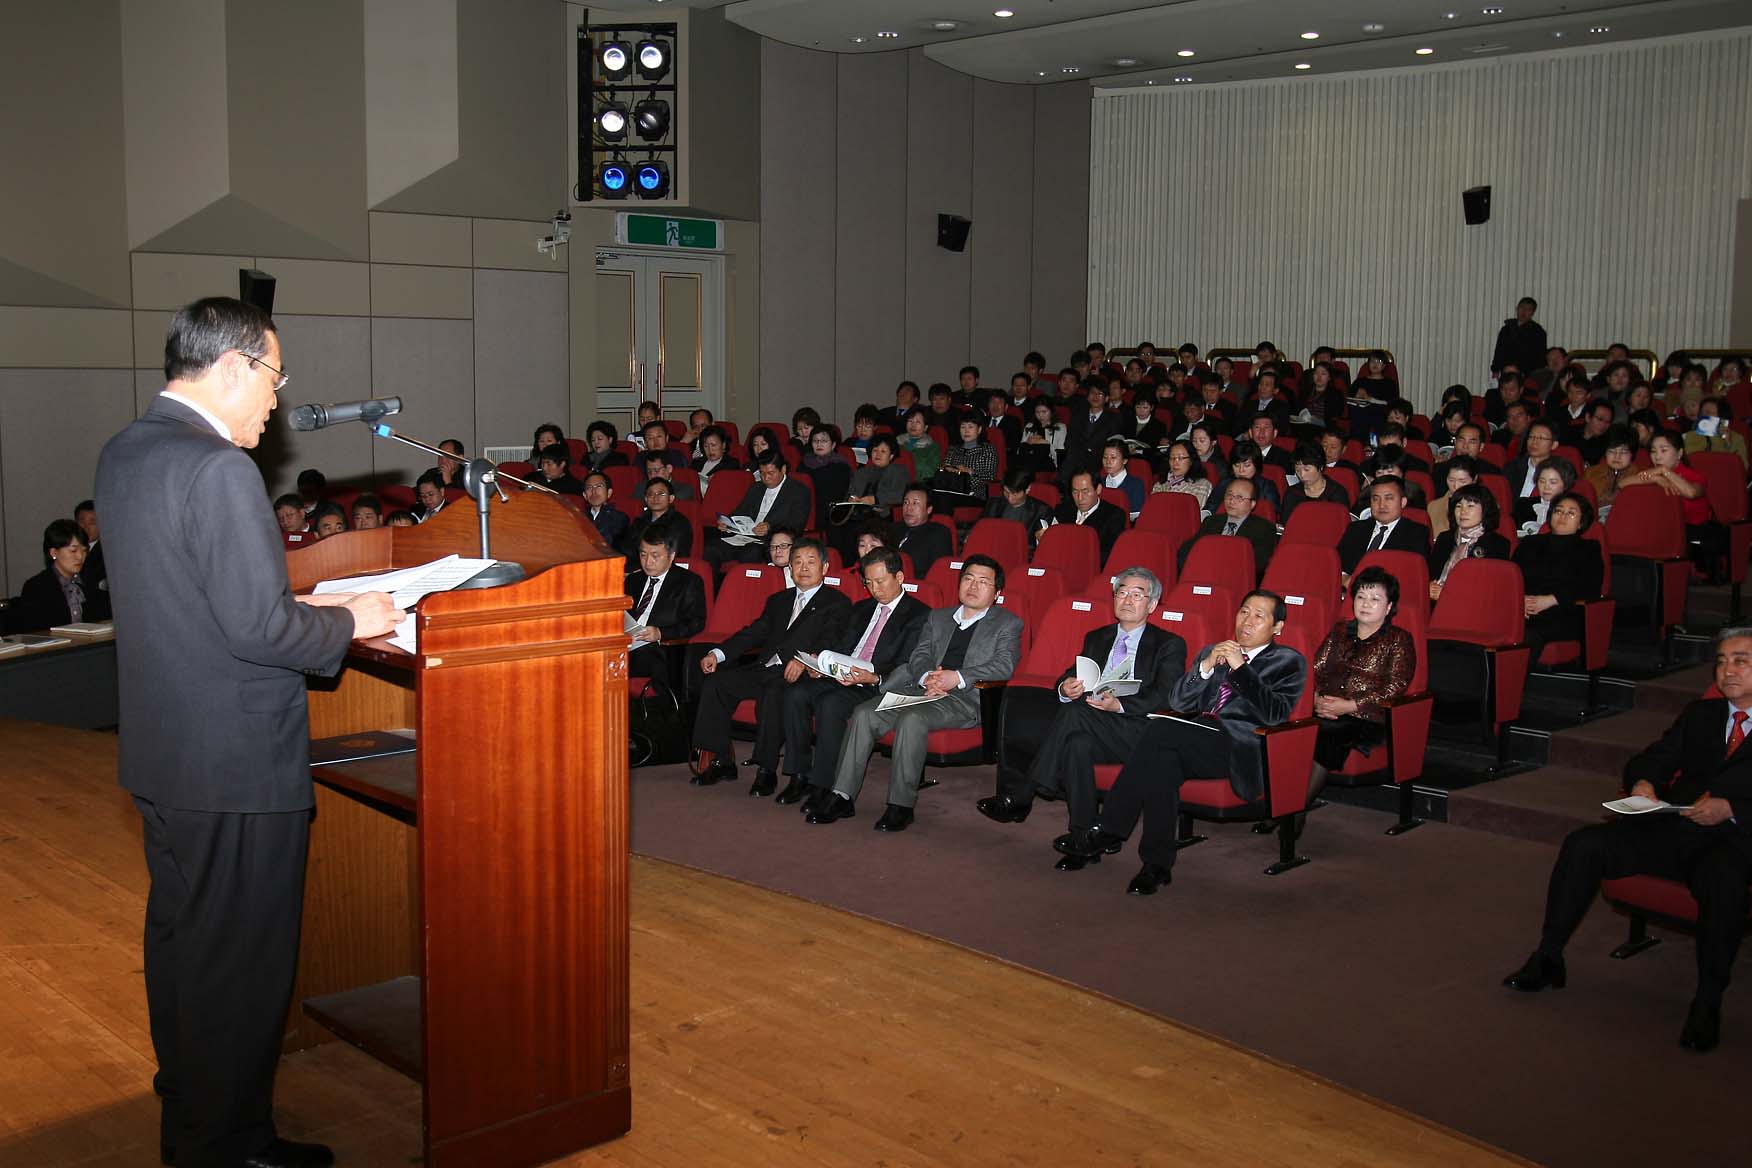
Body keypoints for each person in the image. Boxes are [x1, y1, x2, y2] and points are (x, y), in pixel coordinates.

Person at [94, 296, 402, 1168]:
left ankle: (190, 1097)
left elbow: (191, 595)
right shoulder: (220, 467)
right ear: (232, 368)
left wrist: (305, 602)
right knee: (244, 964)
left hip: (165, 749)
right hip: (233, 761)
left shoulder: (128, 450)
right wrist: (353, 620)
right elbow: (256, 634)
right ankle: (225, 1144)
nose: (276, 399)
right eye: (274, 376)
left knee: (186, 943)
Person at [1503, 625, 1752, 1052]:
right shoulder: (1703, 714)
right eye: (1722, 660)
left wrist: (1734, 809)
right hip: (1674, 828)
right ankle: (1548, 956)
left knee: (1723, 882)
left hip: (1732, 841)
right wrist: (1643, 783)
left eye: (1741, 660)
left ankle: (1707, 1001)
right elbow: (1653, 758)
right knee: (1584, 845)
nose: (1728, 670)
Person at [1068, 591, 1308, 895]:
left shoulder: (1289, 661)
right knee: (1162, 763)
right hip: (1195, 737)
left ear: (1277, 627)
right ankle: (1156, 866)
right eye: (1244, 612)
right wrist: (1206, 666)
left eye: (1259, 616)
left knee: (1159, 732)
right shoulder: (1215, 651)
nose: (1247, 621)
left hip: (1240, 746)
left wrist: (1242, 669)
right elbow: (1178, 701)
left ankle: (1111, 828)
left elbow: (1274, 715)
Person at [978, 570, 1187, 869]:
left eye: (1137, 594)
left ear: (1152, 605)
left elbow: (1166, 695)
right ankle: (1082, 839)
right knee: (1077, 744)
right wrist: (1065, 687)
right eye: (1121, 592)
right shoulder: (1097, 637)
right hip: (1094, 726)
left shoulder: (1168, 643)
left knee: (1076, 713)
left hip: (1140, 731)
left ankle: (1023, 793)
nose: (1127, 599)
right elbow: (1070, 674)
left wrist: (1120, 706)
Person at [809, 556, 1023, 832]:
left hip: (964, 699)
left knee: (912, 720)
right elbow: (919, 655)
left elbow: (1004, 665)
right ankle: (842, 795)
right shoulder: (939, 617)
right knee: (864, 713)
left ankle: (901, 805)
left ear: (997, 593)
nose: (973, 586)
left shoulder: (1007, 624)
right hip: (921, 689)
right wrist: (926, 677)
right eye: (968, 578)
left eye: (984, 582)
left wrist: (955, 678)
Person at [688, 536, 851, 791]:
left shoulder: (836, 602)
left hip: (800, 673)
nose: (804, 568)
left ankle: (766, 769)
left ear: (825, 568)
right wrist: (718, 654)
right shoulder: (780, 600)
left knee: (774, 692)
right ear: (790, 568)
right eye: (797, 562)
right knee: (717, 682)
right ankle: (721, 759)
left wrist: (803, 659)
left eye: (811, 562)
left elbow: (831, 640)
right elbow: (753, 633)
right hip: (765, 668)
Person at [778, 547, 931, 810]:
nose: (875, 589)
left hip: (875, 683)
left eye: (881, 581)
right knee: (794, 694)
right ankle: (799, 774)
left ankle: (823, 784)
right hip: (842, 675)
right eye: (868, 582)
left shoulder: (919, 614)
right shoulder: (861, 608)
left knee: (831, 704)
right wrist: (822, 664)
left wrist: (873, 676)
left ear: (900, 577)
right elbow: (842, 645)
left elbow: (908, 663)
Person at [1308, 566, 1414, 801]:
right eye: (1361, 597)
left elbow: (1395, 686)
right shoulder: (1339, 631)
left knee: (1327, 735)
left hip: (1366, 716)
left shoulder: (1399, 639)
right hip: (1325, 708)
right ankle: (1289, 807)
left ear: (1388, 607)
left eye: (1375, 599)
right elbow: (1316, 668)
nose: (1366, 604)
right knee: (1293, 729)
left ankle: (1292, 811)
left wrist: (1350, 706)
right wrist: (1315, 698)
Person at [1513, 492, 1605, 668]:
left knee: (1527, 634)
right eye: (1558, 511)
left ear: (1581, 522)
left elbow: (1589, 586)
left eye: (1571, 513)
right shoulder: (1530, 543)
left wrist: (1551, 600)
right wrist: (1519, 603)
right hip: (1523, 609)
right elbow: (1511, 577)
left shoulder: (1588, 549)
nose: (1562, 516)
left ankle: (1508, 692)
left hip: (1562, 611)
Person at [1621, 430, 1722, 579]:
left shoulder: (1694, 476)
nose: (1657, 456)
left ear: (1679, 453)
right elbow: (1622, 484)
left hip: (1692, 529)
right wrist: (1656, 479)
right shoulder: (1653, 475)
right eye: (1653, 451)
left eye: (1664, 450)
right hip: (1663, 528)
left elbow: (1691, 493)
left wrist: (1665, 472)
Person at [625, 523, 707, 696]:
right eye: (643, 554)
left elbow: (696, 622)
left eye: (655, 556)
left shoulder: (689, 582)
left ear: (671, 557)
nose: (648, 562)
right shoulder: (633, 580)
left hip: (658, 648)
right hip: (625, 643)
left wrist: (661, 633)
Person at [704, 450, 811, 569]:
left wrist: (770, 527)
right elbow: (740, 512)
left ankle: (746, 586)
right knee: (711, 549)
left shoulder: (799, 492)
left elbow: (796, 525)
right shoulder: (756, 488)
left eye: (771, 473)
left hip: (771, 542)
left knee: (751, 553)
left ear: (783, 469)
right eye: (762, 473)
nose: (766, 478)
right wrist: (728, 523)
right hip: (744, 537)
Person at [11, 519, 111, 630]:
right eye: (73, 551)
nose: (80, 557)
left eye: (84, 550)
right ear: (53, 553)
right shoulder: (37, 586)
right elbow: (33, 631)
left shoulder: (91, 581)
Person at [1179, 477, 1276, 581]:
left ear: (1252, 504)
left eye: (1239, 497)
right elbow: (1187, 550)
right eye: (1229, 495)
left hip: (1238, 580)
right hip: (1205, 574)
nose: (1231, 500)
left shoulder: (1264, 528)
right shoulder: (1211, 521)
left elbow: (1258, 562)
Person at [1428, 484, 1510, 603]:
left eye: (1470, 506)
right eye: (1458, 506)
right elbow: (1431, 572)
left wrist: (1449, 593)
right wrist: (1429, 586)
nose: (1463, 512)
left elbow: (1491, 590)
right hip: (1435, 604)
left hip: (1472, 606)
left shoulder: (1497, 544)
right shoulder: (1444, 538)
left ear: (1485, 509)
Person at [1337, 478, 1430, 578]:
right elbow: (1339, 563)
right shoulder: (1356, 528)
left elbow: (1409, 573)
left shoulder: (1417, 533)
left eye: (1389, 498)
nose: (1381, 505)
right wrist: (1344, 577)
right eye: (1376, 499)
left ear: (1403, 502)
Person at [1052, 470, 1127, 565]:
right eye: (1075, 492)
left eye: (1085, 491)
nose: (1080, 498)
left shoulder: (1114, 515)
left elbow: (1110, 554)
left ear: (1098, 489)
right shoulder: (1062, 510)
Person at [982, 466, 1054, 545]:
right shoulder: (993, 504)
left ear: (1027, 489)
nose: (1010, 498)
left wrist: (1041, 539)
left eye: (1015, 494)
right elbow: (981, 530)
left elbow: (1045, 542)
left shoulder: (1042, 511)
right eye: (1006, 492)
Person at [619, 477, 690, 558]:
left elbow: (679, 553)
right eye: (651, 494)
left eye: (661, 494)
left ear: (671, 498)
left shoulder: (680, 523)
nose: (655, 498)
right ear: (646, 499)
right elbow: (627, 548)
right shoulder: (639, 521)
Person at [1281, 443, 1348, 522]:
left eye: (1307, 469)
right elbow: (1287, 523)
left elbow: (1341, 523)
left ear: (1321, 466)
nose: (1302, 475)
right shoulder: (1292, 493)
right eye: (1298, 470)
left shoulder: (1337, 492)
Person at [894, 485, 952, 576]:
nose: (909, 508)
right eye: (906, 502)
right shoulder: (893, 529)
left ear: (929, 509)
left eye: (915, 503)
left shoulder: (938, 534)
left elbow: (939, 571)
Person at [1513, 457, 1577, 536]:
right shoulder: (1522, 504)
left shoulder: (1570, 510)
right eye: (1542, 481)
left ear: (1565, 485)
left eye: (1553, 482)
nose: (1546, 487)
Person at [1583, 426, 1638, 517]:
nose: (1617, 457)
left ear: (1632, 454)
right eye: (1612, 451)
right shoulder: (1591, 473)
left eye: (1623, 452)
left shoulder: (1639, 475)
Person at [1492, 296, 1548, 378]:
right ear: (1517, 308)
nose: (1524, 312)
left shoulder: (1538, 332)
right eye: (1522, 307)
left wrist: (1534, 375)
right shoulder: (1506, 329)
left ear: (1532, 313)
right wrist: (1495, 369)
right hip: (1506, 371)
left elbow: (1540, 357)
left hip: (1527, 374)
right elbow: (1499, 351)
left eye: (1529, 309)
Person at [1152, 439, 1212, 512]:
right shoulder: (1159, 485)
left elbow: (1193, 513)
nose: (1175, 462)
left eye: (1180, 458)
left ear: (1191, 461)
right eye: (1172, 458)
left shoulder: (1202, 485)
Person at [1017, 397, 1066, 475]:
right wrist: (1029, 441)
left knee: (1041, 448)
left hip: (1048, 462)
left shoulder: (1060, 427)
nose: (1040, 415)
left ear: (1051, 411)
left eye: (1044, 412)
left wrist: (1043, 442)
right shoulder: (1029, 426)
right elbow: (1020, 450)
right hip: (1029, 460)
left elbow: (1060, 453)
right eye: (1037, 412)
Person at [580, 471, 630, 547]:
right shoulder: (578, 517)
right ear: (585, 495)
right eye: (589, 487)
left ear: (609, 493)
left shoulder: (620, 518)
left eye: (598, 486)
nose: (594, 491)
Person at [1098, 438, 1147, 515]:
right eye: (1105, 457)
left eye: (1113, 457)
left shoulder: (1136, 484)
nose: (1108, 462)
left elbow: (1136, 515)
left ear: (1125, 460)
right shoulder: (1099, 483)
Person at [896, 407, 942, 482]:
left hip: (918, 485)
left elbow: (931, 472)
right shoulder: (896, 442)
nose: (913, 425)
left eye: (918, 422)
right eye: (910, 421)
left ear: (925, 427)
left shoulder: (933, 447)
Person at [73, 499, 106, 596]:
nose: (86, 527)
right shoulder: (66, 549)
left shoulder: (107, 553)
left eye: (92, 522)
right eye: (82, 522)